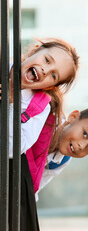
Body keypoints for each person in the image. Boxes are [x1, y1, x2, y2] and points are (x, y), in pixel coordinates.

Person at [4, 37, 79, 231]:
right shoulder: (4, 63)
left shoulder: (39, 107)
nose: (46, 70)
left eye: (54, 75)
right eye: (47, 60)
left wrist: (11, 102)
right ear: (35, 51)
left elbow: (14, 148)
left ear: (50, 86)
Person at [36, 104, 88, 198]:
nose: (82, 146)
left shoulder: (62, 160)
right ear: (73, 117)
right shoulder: (42, 121)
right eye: (85, 134)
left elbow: (33, 189)